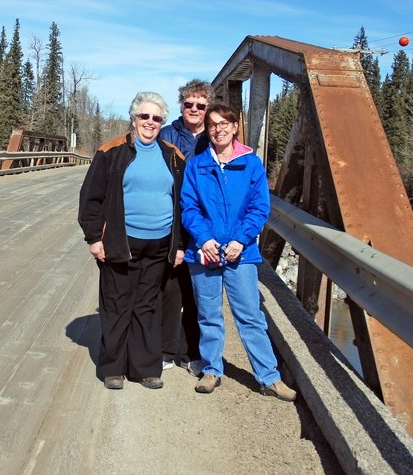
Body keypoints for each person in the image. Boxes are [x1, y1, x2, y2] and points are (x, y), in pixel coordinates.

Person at [180, 103, 296, 401]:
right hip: (204, 253)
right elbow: (188, 206)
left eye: (224, 124)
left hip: (240, 253)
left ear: (234, 127)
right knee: (208, 315)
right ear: (208, 130)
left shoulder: (251, 164)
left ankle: (269, 376)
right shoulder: (197, 165)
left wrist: (241, 240)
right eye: (212, 125)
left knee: (250, 315)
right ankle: (211, 370)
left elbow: (259, 208)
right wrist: (203, 239)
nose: (218, 129)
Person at [78, 91, 185, 390]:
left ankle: (145, 368)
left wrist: (180, 245)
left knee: (148, 306)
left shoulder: (173, 156)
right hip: (119, 242)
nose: (150, 122)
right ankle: (113, 367)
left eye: (156, 118)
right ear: (134, 118)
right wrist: (93, 238)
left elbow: (183, 203)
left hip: (160, 244)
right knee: (116, 304)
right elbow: (91, 198)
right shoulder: (111, 152)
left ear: (162, 122)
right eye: (144, 116)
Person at [158, 80, 214, 375]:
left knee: (197, 292)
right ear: (181, 106)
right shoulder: (167, 134)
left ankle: (193, 352)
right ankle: (167, 350)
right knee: (170, 290)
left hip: (203, 226)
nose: (194, 109)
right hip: (171, 223)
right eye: (189, 104)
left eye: (200, 105)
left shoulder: (215, 137)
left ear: (208, 109)